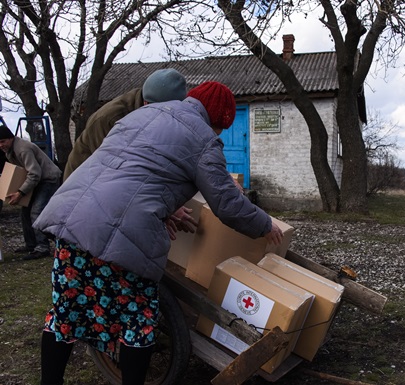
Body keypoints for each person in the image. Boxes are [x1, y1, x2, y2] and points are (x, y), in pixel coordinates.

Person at [33, 81, 284, 385]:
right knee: (136, 320)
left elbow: (125, 169)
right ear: (218, 121)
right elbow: (227, 204)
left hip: (70, 219)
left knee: (66, 312)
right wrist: (265, 224)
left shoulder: (140, 115)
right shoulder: (204, 139)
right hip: (122, 236)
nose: (219, 134)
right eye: (221, 128)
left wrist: (163, 208)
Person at [63, 68, 188, 180]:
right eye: (164, 112)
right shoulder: (110, 118)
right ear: (147, 103)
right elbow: (111, 169)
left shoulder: (152, 109)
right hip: (83, 181)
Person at [0, 124, 62, 260]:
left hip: (48, 180)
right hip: (37, 181)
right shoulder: (10, 150)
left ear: (10, 139)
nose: (1, 145)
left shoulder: (22, 149)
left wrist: (20, 193)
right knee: (25, 212)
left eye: (3, 141)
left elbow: (34, 173)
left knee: (36, 212)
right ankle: (31, 244)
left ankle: (42, 247)